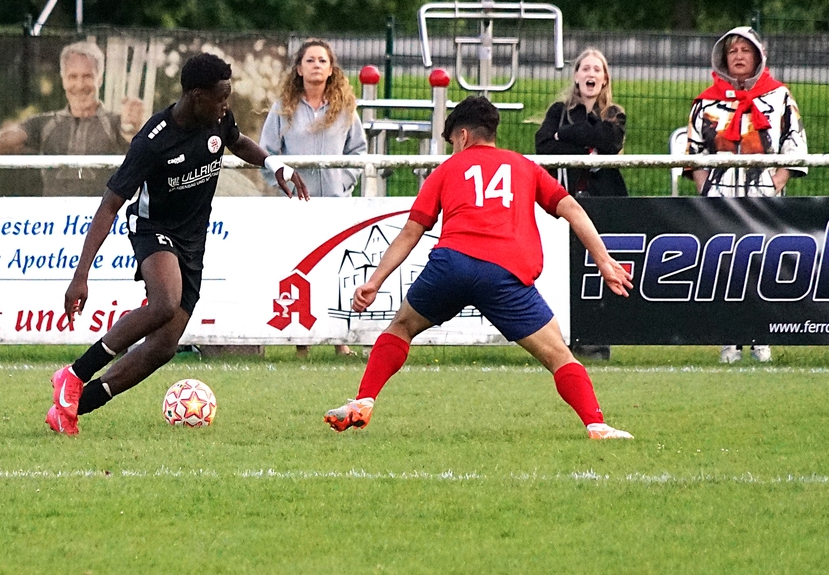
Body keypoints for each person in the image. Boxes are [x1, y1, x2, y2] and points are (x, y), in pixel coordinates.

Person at [324, 96, 635, 440]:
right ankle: (596, 424)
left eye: (452, 142)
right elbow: (572, 209)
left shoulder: (446, 170)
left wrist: (374, 281)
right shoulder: (524, 166)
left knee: (402, 327)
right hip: (504, 273)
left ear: (463, 135)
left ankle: (364, 400)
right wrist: (604, 260)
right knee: (558, 354)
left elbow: (412, 231)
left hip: (452, 265)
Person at [45, 53, 309, 435]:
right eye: (221, 98)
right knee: (164, 303)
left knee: (164, 346)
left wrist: (273, 164)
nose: (226, 106)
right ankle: (73, 374)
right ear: (197, 96)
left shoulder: (217, 119)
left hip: (192, 241)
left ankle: (72, 409)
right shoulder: (153, 141)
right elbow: (109, 205)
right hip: (152, 229)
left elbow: (237, 142)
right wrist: (80, 276)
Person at [684, 26, 808, 365]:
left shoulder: (780, 97)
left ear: (758, 56)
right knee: (726, 268)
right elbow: (693, 153)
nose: (738, 56)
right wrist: (707, 189)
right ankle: (729, 340)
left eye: (745, 50)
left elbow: (795, 146)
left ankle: (761, 338)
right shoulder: (706, 102)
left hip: (764, 200)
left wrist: (773, 185)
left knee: (763, 265)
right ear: (723, 58)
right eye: (732, 50)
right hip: (720, 200)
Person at [260, 38, 368, 358]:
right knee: (300, 270)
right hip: (298, 208)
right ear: (299, 69)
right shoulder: (282, 110)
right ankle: (301, 341)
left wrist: (342, 184)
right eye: (310, 60)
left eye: (322, 60)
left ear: (331, 69)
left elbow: (358, 152)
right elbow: (267, 155)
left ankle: (339, 339)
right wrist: (287, 188)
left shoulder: (345, 109)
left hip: (334, 206)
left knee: (336, 271)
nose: (316, 65)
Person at [535, 47, 627, 361]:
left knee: (598, 269)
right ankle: (561, 340)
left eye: (597, 69)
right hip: (566, 202)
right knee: (565, 270)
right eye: (585, 68)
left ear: (605, 79)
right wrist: (583, 140)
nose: (591, 74)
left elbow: (609, 141)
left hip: (604, 203)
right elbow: (544, 147)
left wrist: (566, 135)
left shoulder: (614, 113)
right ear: (576, 76)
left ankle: (597, 342)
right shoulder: (558, 111)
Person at [0, 41, 144, 196]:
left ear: (100, 79)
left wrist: (132, 126)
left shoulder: (115, 123)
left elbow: (134, 140)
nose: (80, 85)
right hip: (55, 222)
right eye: (72, 77)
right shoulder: (44, 124)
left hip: (105, 222)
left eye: (87, 76)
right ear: (63, 80)